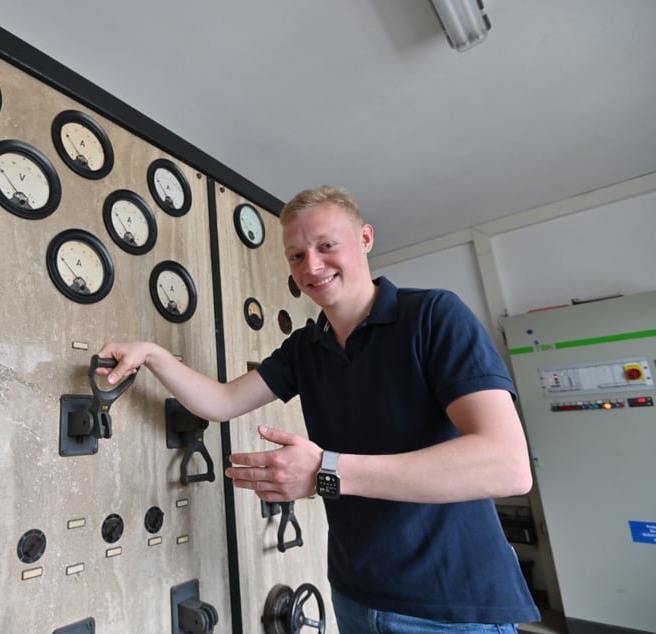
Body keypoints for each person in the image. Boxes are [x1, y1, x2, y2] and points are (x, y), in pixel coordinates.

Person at [97, 185, 539, 632]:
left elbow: (507, 465)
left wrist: (325, 471)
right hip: (354, 594)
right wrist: (153, 355)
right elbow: (221, 402)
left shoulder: (433, 316)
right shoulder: (306, 349)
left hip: (450, 604)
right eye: (296, 256)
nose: (312, 266)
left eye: (327, 246)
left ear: (365, 238)